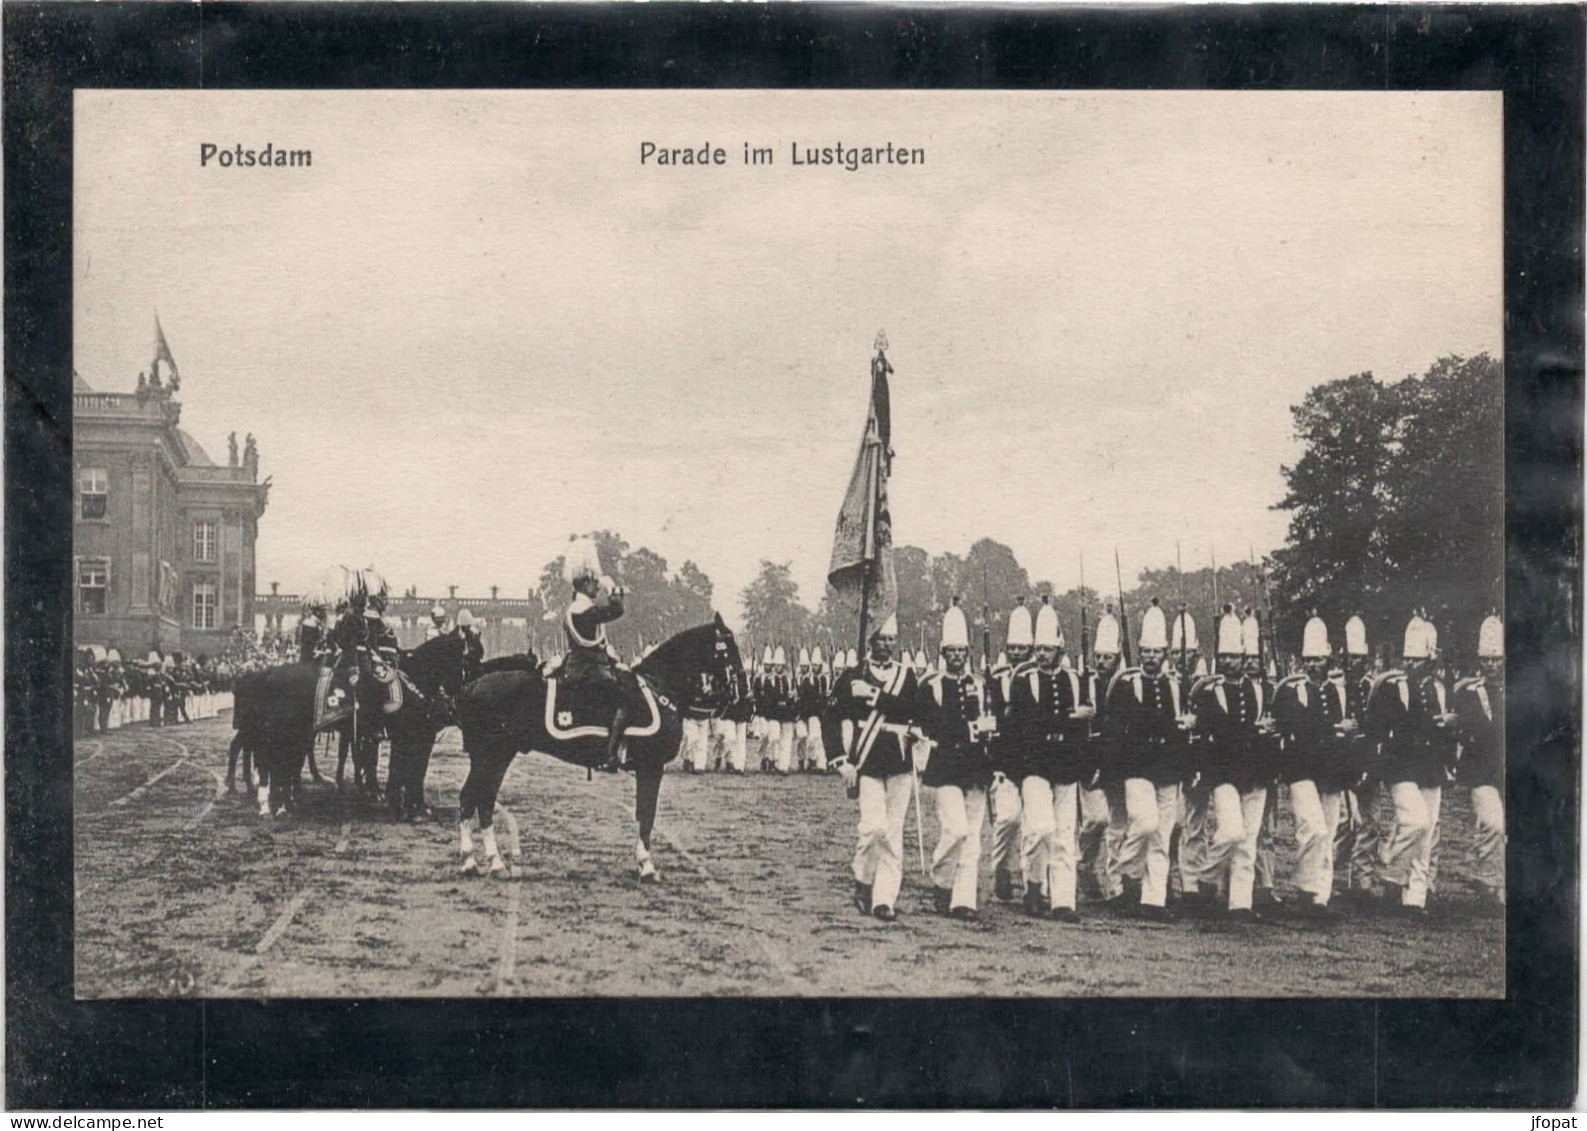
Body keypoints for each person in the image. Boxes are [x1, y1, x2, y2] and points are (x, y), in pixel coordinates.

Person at [823, 613, 921, 922]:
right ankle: (863, 880)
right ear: (871, 641)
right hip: (866, 761)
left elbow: (912, 709)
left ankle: (884, 899)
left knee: (892, 833)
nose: (886, 645)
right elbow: (830, 716)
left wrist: (874, 695)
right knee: (873, 828)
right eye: (881, 639)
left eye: (891, 639)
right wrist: (839, 759)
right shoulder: (854, 675)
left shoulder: (907, 675)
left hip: (899, 760)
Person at [1005, 598, 1094, 921]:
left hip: (1065, 762)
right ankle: (1033, 884)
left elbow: (1086, 721)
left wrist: (1075, 727)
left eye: (1048, 648)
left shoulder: (1074, 678)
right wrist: (1069, 718)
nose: (1042, 654)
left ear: (1058, 648)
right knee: (1040, 828)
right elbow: (1020, 725)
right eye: (1038, 648)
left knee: (1064, 833)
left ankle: (1063, 900)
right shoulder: (1022, 678)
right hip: (1033, 761)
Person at [1184, 606, 1276, 919]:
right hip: (1222, 772)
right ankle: (1206, 876)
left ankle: (1240, 903)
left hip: (1255, 771)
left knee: (1248, 841)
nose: (1228, 662)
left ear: (1243, 656)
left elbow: (1266, 728)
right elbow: (1204, 730)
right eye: (1223, 657)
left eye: (1234, 657)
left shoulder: (1260, 690)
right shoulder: (1208, 691)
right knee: (1232, 831)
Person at [1105, 601, 1191, 920]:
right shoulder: (1126, 684)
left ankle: (1153, 899)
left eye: (1157, 652)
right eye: (1147, 652)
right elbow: (1114, 730)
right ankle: (1128, 872)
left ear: (1165, 653)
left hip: (1167, 766)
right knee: (1145, 821)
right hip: (1136, 765)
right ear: (1139, 653)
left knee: (1162, 835)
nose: (1152, 658)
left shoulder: (1173, 685)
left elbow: (1179, 726)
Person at [1368, 613, 1457, 916]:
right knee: (1415, 821)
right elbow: (1379, 725)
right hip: (1401, 765)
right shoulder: (1393, 686)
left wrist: (1448, 760)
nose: (1411, 665)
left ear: (1430, 661)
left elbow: (1445, 730)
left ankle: (1414, 897)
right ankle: (1389, 869)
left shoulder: (1440, 689)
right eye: (1408, 659)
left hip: (1431, 765)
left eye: (1418, 660)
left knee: (1428, 831)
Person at [920, 599, 997, 920]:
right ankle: (942, 879)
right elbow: (929, 724)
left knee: (973, 836)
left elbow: (990, 721)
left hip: (976, 767)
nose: (956, 656)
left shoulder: (980, 685)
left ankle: (963, 899)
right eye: (951, 651)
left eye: (961, 651)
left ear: (967, 654)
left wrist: (988, 728)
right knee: (955, 829)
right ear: (943, 653)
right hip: (945, 767)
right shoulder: (932, 685)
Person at [1271, 615, 1352, 917]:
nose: (1313, 664)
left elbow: (1346, 728)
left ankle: (1320, 896)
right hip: (1300, 769)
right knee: (1313, 828)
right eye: (1308, 659)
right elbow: (1299, 727)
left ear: (1327, 657)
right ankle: (1306, 886)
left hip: (1330, 771)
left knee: (1328, 832)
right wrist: (1335, 728)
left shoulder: (1337, 691)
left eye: (1318, 659)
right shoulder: (1292, 690)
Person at [561, 538, 640, 773]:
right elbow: (616, 610)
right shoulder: (581, 609)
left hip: (590, 666)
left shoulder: (579, 607)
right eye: (594, 583)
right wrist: (612, 588)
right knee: (626, 701)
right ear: (585, 585)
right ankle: (610, 754)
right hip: (588, 671)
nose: (596, 588)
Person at [1455, 614, 1505, 912]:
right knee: (1493, 824)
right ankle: (1480, 872)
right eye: (1486, 659)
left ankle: (1497, 887)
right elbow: (1468, 727)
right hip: (1478, 771)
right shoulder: (1469, 692)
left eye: (1496, 659)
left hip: (1504, 770)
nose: (1491, 665)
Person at [989, 601, 1033, 902]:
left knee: (1033, 822)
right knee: (1008, 818)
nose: (1017, 652)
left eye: (1022, 648)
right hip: (1004, 756)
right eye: (1013, 647)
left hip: (1031, 756)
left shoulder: (1036, 676)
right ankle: (1000, 867)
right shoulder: (997, 677)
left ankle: (1030, 877)